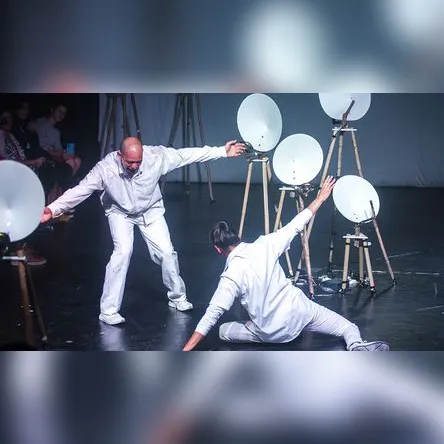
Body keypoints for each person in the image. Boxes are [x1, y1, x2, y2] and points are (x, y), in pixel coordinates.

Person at [40, 136, 246, 325]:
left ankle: (177, 297)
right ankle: (108, 311)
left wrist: (221, 151)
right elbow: (81, 190)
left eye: (138, 161)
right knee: (122, 253)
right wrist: (53, 209)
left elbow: (186, 155)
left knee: (167, 253)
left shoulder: (156, 157)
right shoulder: (105, 168)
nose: (134, 166)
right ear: (120, 156)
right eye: (130, 162)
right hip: (120, 212)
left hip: (150, 210)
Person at [182, 176, 389, 351]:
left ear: (218, 249)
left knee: (223, 331)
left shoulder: (230, 277)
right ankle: (356, 345)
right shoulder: (266, 244)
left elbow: (212, 315)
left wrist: (185, 351)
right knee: (347, 327)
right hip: (300, 312)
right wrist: (320, 198)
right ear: (237, 237)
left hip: (274, 332)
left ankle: (257, 328)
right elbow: (296, 224)